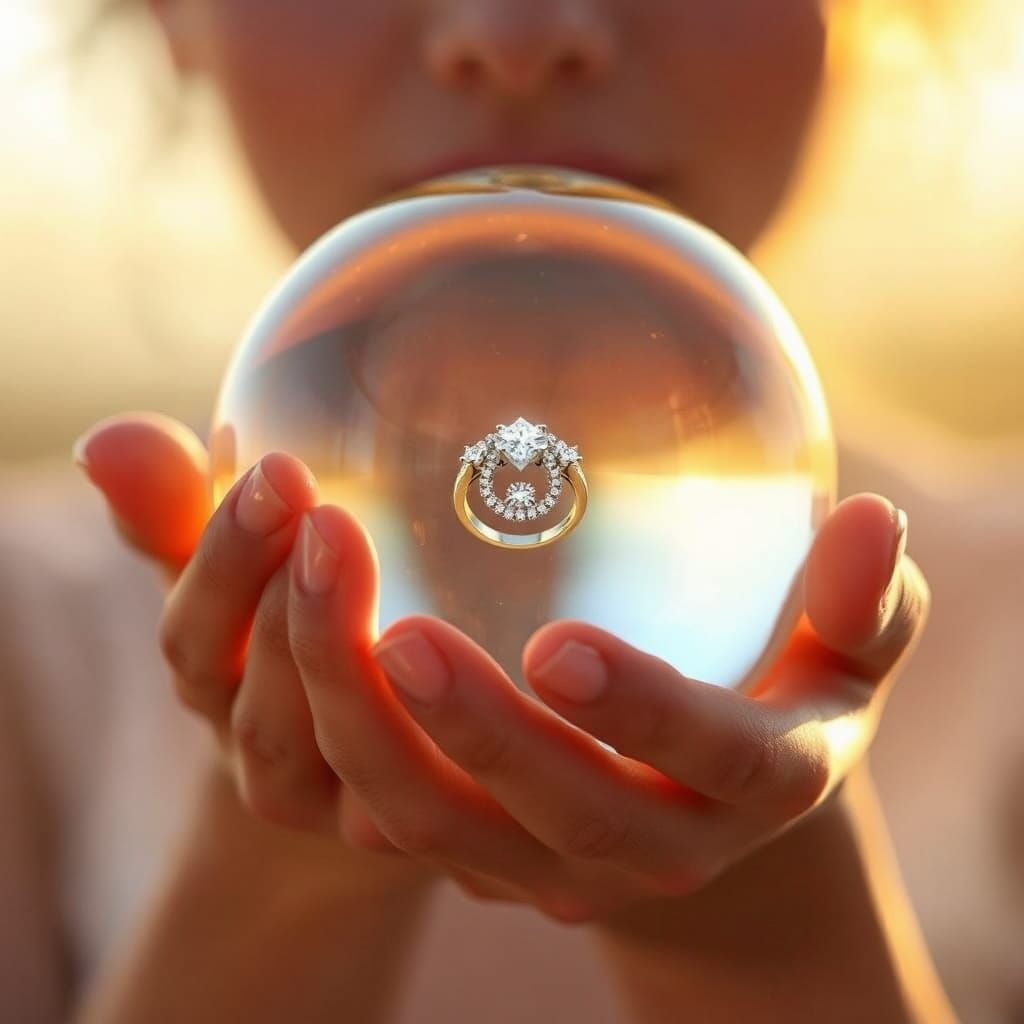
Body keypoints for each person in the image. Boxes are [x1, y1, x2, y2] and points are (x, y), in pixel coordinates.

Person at [1, 1, 1020, 1021]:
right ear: (171, 13)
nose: (516, 38)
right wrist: (279, 874)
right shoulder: (27, 640)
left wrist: (762, 946)